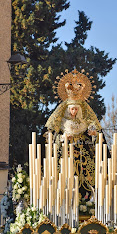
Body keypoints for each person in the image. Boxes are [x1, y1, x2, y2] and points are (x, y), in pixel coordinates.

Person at [45, 69, 107, 199]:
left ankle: (87, 197)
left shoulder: (85, 123)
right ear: (67, 110)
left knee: (87, 175)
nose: (74, 111)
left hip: (83, 158)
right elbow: (50, 139)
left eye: (76, 109)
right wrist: (62, 138)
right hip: (65, 156)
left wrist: (94, 134)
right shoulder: (61, 123)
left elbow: (96, 140)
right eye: (72, 109)